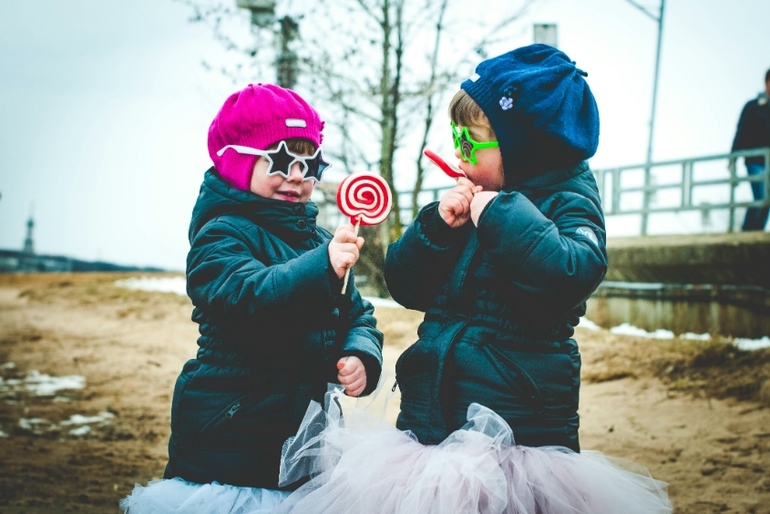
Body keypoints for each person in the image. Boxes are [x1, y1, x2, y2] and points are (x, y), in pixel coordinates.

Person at [274, 45, 672, 513]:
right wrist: (437, 228)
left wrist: (499, 213)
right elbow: (404, 285)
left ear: (522, 149)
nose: (458, 155)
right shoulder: (471, 202)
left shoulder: (565, 201)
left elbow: (571, 271)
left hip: (519, 437)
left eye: (469, 143)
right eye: (455, 140)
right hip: (432, 424)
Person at [120, 83, 384, 513]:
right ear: (239, 164)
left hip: (306, 448)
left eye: (309, 163)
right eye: (280, 160)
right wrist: (322, 267)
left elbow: (357, 313)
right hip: (230, 442)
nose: (297, 175)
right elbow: (248, 298)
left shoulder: (321, 242)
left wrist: (360, 353)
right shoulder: (221, 234)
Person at [732, 68, 770, 231]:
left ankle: (756, 233)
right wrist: (732, 157)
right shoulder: (752, 107)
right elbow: (741, 131)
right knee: (761, 196)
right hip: (755, 160)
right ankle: (747, 231)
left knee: (767, 200)